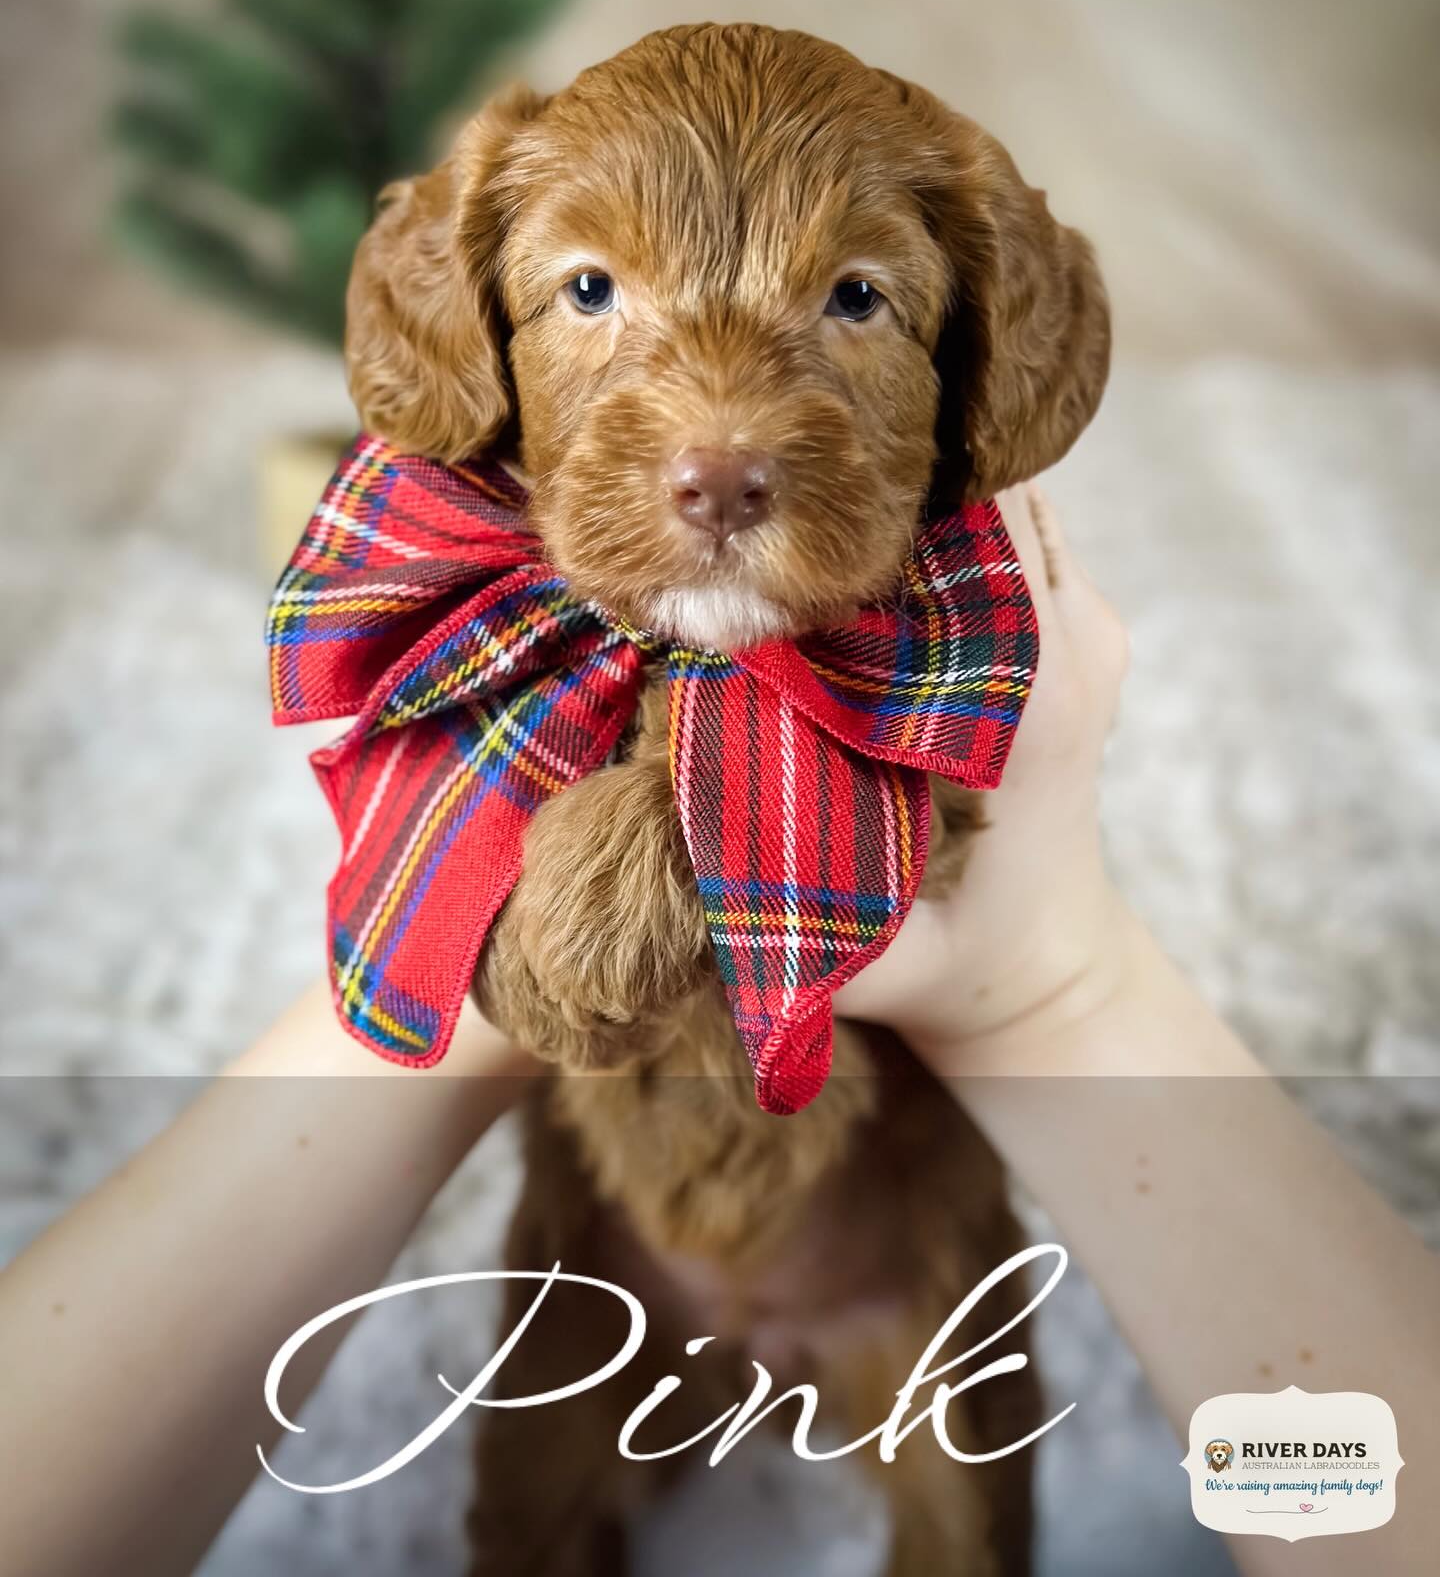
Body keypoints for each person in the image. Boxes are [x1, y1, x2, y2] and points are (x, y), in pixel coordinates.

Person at [1, 490, 1434, 1577]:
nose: (716, 439)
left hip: (904, 1230)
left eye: (854, 299)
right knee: (529, 1522)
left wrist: (1051, 987)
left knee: (974, 1530)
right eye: (593, 289)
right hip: (605, 1230)